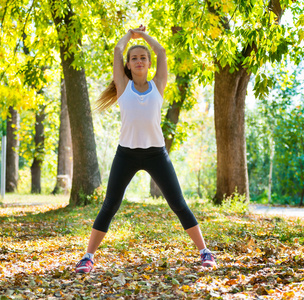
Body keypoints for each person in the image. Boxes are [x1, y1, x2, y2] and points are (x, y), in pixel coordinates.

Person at [75, 25, 216, 273]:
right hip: (126, 154)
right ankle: (87, 257)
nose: (139, 61)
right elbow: (118, 49)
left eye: (143, 57)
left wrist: (144, 37)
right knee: (110, 205)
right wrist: (129, 36)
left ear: (149, 63)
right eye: (134, 58)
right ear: (127, 65)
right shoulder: (122, 85)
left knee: (178, 203)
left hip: (156, 155)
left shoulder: (158, 85)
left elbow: (161, 51)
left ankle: (205, 251)